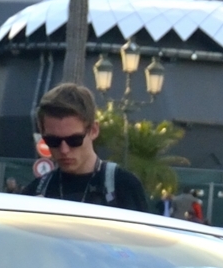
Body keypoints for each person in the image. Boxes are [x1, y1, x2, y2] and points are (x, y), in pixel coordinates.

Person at [25, 83, 152, 212]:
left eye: (74, 140)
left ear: (93, 130)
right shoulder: (35, 192)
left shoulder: (124, 186)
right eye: (53, 141)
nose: (64, 150)